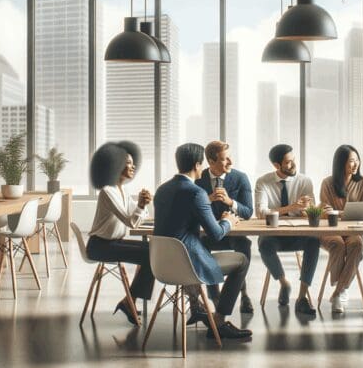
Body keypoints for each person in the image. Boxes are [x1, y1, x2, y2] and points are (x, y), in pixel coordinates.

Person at [153, 143, 251, 340]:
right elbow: (215, 234)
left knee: (223, 248)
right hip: (188, 264)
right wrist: (228, 221)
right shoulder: (196, 192)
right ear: (199, 165)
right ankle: (220, 320)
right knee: (241, 260)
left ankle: (202, 307)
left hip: (161, 265)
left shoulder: (162, 189)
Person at [86, 141, 155, 326]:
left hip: (114, 243)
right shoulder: (107, 192)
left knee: (154, 250)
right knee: (151, 253)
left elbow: (141, 216)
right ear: (115, 164)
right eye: (128, 162)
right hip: (99, 246)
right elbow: (131, 221)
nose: (133, 167)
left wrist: (143, 204)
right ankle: (130, 302)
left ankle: (129, 301)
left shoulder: (122, 190)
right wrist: (140, 205)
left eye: (133, 163)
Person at [255, 144, 320, 316]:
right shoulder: (263, 182)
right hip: (274, 235)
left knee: (314, 241)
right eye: (288, 162)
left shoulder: (304, 181)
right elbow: (261, 213)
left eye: (293, 160)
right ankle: (284, 283)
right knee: (264, 244)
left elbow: (311, 211)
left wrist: (308, 209)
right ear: (277, 165)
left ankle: (302, 297)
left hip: (298, 233)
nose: (293, 165)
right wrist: (290, 207)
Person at [194, 140, 255, 314]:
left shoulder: (240, 177)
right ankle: (215, 298)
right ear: (211, 162)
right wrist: (208, 199)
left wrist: (231, 202)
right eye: (225, 159)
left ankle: (243, 294)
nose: (230, 162)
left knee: (244, 245)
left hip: (233, 234)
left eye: (230, 157)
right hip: (210, 235)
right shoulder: (198, 180)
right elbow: (191, 210)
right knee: (201, 245)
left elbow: (248, 212)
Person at [319, 145, 363, 313]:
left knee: (357, 244)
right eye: (351, 161)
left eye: (357, 160)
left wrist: (339, 213)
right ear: (341, 162)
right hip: (331, 230)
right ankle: (342, 289)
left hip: (354, 229)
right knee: (338, 244)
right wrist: (343, 212)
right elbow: (325, 210)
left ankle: (338, 291)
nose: (355, 164)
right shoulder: (328, 183)